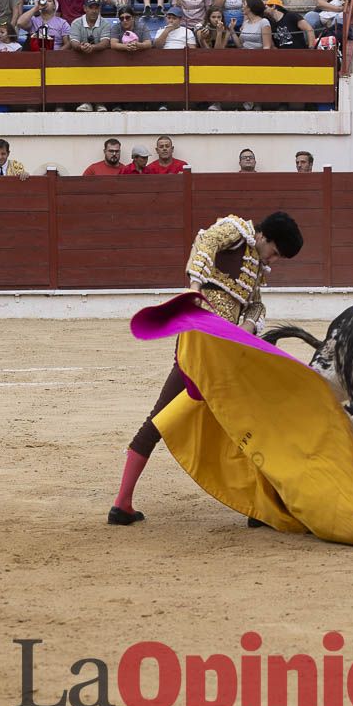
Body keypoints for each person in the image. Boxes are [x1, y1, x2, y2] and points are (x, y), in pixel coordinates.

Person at [108, 211, 304, 525]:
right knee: (247, 419)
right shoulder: (237, 231)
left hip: (223, 348)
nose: (275, 260)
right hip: (201, 340)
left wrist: (251, 325)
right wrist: (195, 287)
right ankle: (262, 504)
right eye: (276, 252)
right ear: (265, 236)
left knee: (168, 416)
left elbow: (254, 304)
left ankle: (122, 503)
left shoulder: (255, 266)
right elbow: (207, 240)